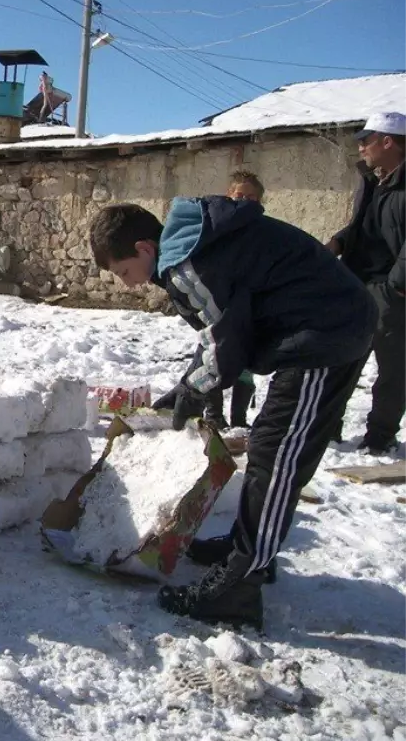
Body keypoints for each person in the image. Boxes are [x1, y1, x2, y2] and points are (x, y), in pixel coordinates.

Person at [89, 197, 375, 629]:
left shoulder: (185, 265)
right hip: (326, 327)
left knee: (276, 458)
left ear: (145, 249)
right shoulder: (198, 245)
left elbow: (226, 341)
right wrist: (187, 386)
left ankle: (239, 585)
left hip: (323, 336)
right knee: (271, 449)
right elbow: (221, 330)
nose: (129, 285)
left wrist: (194, 388)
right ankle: (245, 549)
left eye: (124, 272)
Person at [325, 111, 406, 454]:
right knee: (341, 358)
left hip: (390, 290)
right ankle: (327, 428)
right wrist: (338, 243)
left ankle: (379, 436)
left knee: (393, 369)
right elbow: (362, 226)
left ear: (387, 141)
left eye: (365, 140)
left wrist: (396, 287)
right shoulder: (372, 180)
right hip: (355, 285)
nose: (360, 147)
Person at [202, 171, 265, 429]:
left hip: (251, 302)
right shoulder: (218, 224)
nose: (245, 201)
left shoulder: (263, 229)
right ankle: (213, 414)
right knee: (214, 356)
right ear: (229, 195)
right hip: (219, 300)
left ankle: (239, 418)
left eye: (252, 197)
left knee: (246, 361)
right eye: (240, 195)